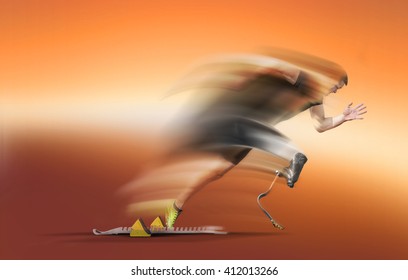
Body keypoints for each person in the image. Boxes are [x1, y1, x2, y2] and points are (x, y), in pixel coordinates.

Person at [123, 50, 367, 228]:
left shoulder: (315, 100)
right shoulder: (301, 78)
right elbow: (270, 63)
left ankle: (174, 208)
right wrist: (244, 78)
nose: (336, 91)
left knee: (218, 171)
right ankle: (293, 158)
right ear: (329, 78)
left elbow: (320, 125)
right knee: (285, 150)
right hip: (238, 119)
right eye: (337, 86)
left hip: (253, 133)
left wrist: (343, 118)